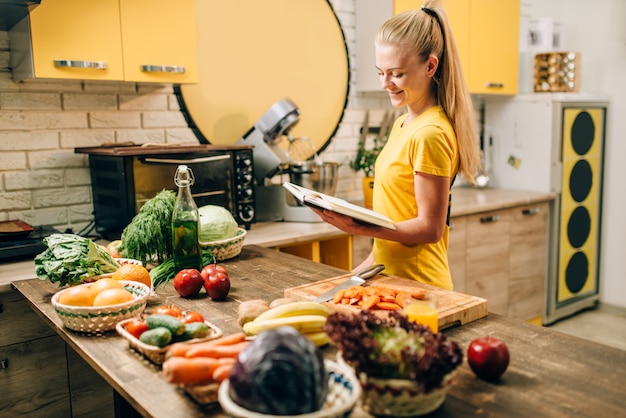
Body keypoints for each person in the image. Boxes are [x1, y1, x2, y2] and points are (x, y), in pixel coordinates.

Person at [313, 0, 480, 290]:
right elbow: (393, 230)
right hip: (392, 280)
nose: (385, 83)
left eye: (396, 73)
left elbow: (430, 228)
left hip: (420, 287)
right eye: (381, 72)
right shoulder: (402, 125)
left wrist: (357, 227)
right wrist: (356, 276)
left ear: (430, 66)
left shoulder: (431, 133)